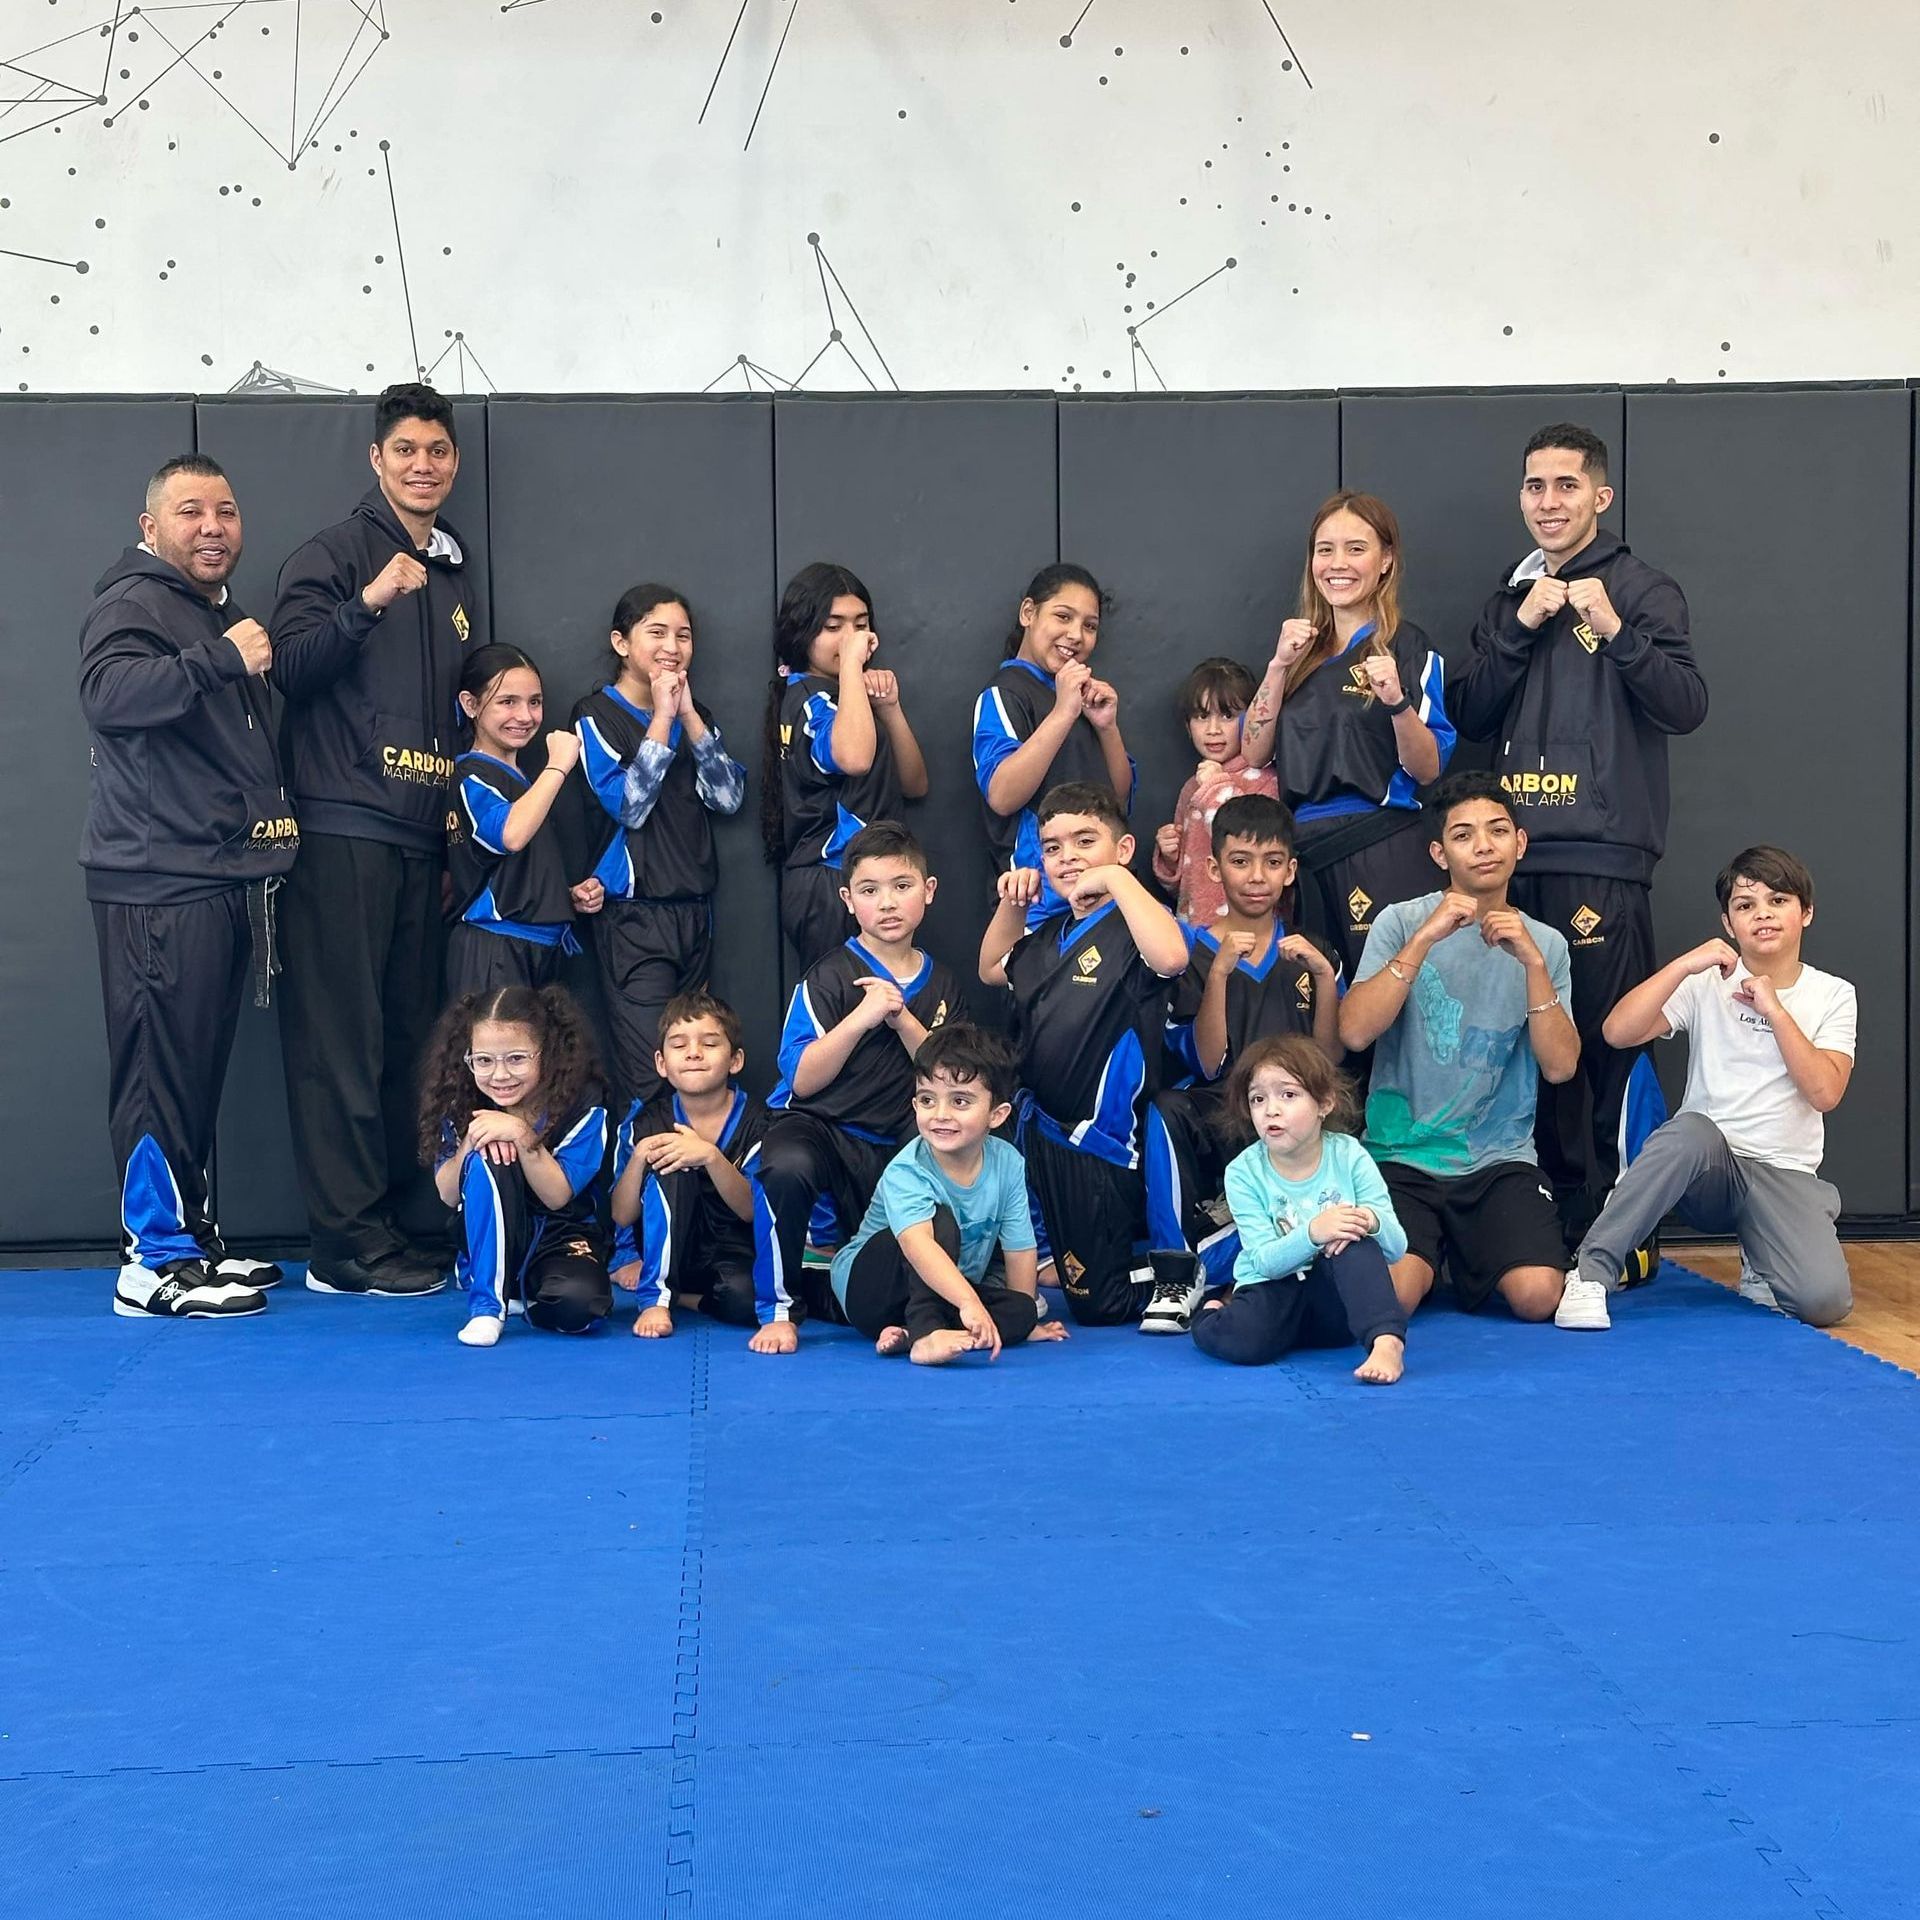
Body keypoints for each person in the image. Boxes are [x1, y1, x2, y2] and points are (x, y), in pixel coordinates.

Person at [1453, 424, 1706, 1259]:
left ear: (1599, 495)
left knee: (1607, 1049)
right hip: (1512, 862)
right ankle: (1549, 1226)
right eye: (1535, 486)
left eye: (1566, 486)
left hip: (1601, 859)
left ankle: (1622, 1232)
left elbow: (1685, 704)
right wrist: (1522, 625)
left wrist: (1618, 632)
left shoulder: (1641, 588)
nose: (1548, 502)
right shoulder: (1509, 596)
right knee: (1524, 1050)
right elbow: (1473, 717)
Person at [271, 382, 479, 1298]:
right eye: (406, 451)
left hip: (415, 835)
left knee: (406, 1041)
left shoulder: (451, 572)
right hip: (340, 826)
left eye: (437, 450)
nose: (423, 465)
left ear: (453, 462)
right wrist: (365, 602)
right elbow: (292, 668)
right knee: (339, 1043)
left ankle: (393, 1222)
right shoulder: (338, 553)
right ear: (376, 460)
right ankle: (344, 1245)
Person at [80, 453, 297, 1318]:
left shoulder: (212, 611)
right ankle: (153, 1263)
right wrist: (218, 659)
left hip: (211, 872)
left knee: (192, 1067)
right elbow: (109, 696)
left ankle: (194, 1244)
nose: (213, 526)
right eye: (191, 511)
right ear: (150, 527)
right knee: (154, 1065)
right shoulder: (134, 602)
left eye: (227, 511)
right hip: (153, 878)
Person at [1557, 847, 1855, 1331]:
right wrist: (1684, 966)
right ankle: (1590, 1273)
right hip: (1708, 1167)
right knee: (1689, 1130)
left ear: (1806, 913)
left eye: (1778, 900)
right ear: (1728, 922)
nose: (1762, 914)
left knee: (1824, 1303)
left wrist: (1774, 1009)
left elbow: (1824, 1093)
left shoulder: (1833, 993)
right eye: (1745, 905)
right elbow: (1617, 1032)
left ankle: (1763, 1262)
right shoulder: (1708, 983)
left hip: (1784, 1173)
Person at [1337, 772, 1579, 1323]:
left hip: (1498, 1160)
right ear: (1439, 853)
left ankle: (1463, 1250)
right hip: (1401, 1157)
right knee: (1391, 1299)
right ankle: (1433, 1256)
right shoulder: (1400, 921)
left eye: (1497, 831)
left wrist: (1533, 967)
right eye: (1463, 835)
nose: (1484, 846)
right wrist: (1424, 937)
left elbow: (1561, 1067)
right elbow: (1353, 1033)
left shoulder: (1547, 943)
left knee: (1539, 1297)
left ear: (1519, 842)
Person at [979, 782, 1188, 1328]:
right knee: (1070, 1281)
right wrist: (1012, 902)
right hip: (1038, 1133)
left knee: (1102, 1305)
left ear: (1123, 849)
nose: (1067, 857)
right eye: (1052, 847)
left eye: (1084, 841)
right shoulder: (1049, 934)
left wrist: (1119, 880)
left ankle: (1203, 1260)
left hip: (1098, 1140)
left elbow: (1171, 957)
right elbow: (993, 965)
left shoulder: (1140, 923)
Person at [754, 822, 966, 1353]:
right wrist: (862, 1017)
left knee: (944, 1192)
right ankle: (779, 1308)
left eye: (902, 885)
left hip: (898, 1142)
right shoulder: (827, 978)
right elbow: (801, 1080)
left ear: (929, 891)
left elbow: (953, 1077)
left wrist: (899, 1019)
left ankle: (926, 1313)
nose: (887, 903)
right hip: (821, 1130)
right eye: (870, 891)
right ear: (849, 900)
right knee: (785, 1164)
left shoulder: (943, 984)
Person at [1241, 491, 1455, 978]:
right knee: (1324, 1011)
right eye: (1325, 549)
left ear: (1385, 560)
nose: (1338, 563)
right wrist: (1277, 667)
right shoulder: (1298, 652)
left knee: (1392, 1001)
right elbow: (1253, 751)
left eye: (1356, 548)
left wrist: (1397, 701)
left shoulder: (1406, 644)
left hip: (1380, 848)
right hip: (1304, 856)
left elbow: (1427, 768)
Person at [1143, 795, 1342, 1316]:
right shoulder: (1190, 950)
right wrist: (1218, 976)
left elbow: (1327, 1063)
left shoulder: (1311, 950)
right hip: (1223, 1107)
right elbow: (1207, 1064)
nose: (1257, 877)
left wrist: (1324, 978)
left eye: (1273, 862)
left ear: (1290, 870)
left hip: (1296, 1117)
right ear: (1213, 868)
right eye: (1240, 861)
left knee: (1330, 1117)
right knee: (1165, 1109)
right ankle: (1176, 1271)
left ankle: (1232, 1266)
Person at [574, 585, 747, 1107]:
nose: (672, 645)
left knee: (697, 1077)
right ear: (621, 642)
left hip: (694, 911)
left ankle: (693, 1182)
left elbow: (729, 798)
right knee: (649, 1074)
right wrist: (664, 718)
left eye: (683, 635)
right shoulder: (595, 715)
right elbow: (630, 806)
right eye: (657, 632)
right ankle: (642, 1185)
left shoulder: (697, 715)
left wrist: (690, 716)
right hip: (634, 920)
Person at [830, 1024, 1070, 1366]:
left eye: (960, 1101)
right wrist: (969, 1303)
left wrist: (1024, 1321)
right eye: (928, 1100)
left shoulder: (1008, 1163)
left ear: (997, 1115)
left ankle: (907, 1331)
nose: (940, 1115)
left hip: (944, 1288)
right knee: (940, 1222)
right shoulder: (908, 1169)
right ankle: (925, 1337)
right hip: (870, 1290)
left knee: (1021, 1309)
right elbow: (918, 1247)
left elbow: (1020, 1247)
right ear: (915, 1104)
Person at [1198, 1035, 1408, 1380]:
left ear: (1324, 1103)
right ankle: (1211, 1312)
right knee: (1243, 1343)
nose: (1271, 1110)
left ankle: (1387, 1343)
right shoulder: (1242, 1172)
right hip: (1274, 1289)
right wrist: (1313, 1233)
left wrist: (1369, 1220)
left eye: (1289, 1095)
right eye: (1257, 1099)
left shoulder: (1349, 1154)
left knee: (1355, 1245)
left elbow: (1396, 1247)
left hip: (1334, 1300)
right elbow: (1264, 1260)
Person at [420, 983, 613, 1348]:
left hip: (560, 1235)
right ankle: (486, 1306)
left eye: (517, 1058)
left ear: (547, 1053)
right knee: (488, 1154)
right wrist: (474, 1141)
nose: (500, 1075)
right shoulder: (460, 1097)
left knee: (582, 1308)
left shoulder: (582, 1101)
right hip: (490, 1230)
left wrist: (522, 1136)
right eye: (484, 1060)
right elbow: (447, 1194)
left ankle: (525, 1298)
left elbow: (558, 1196)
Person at [760, 563, 928, 974]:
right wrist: (853, 666)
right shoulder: (810, 698)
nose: (851, 638)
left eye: (861, 624)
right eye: (833, 626)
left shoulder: (849, 699)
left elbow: (915, 785)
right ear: (803, 632)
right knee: (840, 1017)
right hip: (831, 882)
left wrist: (889, 710)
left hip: (874, 878)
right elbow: (853, 758)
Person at [973, 563, 1136, 925]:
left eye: (1089, 626)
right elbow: (1002, 794)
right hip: (1039, 904)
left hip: (1102, 899)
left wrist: (1107, 728)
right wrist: (1063, 712)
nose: (1075, 635)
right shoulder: (1006, 692)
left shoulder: (1081, 695)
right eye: (1063, 616)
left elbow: (1118, 800)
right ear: (1028, 613)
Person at [611, 991, 779, 1339]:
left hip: (729, 1252)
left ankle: (685, 1299)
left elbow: (751, 1211)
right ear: (661, 1062)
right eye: (679, 1044)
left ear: (735, 1060)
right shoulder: (645, 1121)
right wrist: (641, 1157)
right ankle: (656, 1298)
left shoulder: (759, 1121)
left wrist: (710, 1156)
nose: (693, 1053)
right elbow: (621, 1215)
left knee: (746, 1304)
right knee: (671, 1165)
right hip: (666, 1251)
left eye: (710, 1043)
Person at [447, 644, 601, 996]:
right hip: (496, 951)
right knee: (494, 1050)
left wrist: (561, 898)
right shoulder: (472, 774)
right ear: (471, 704)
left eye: (534, 702)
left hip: (540, 950)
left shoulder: (525, 782)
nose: (525, 715)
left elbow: (512, 872)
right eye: (507, 702)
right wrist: (558, 764)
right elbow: (510, 835)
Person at [1150, 657, 1278, 925]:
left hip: (1250, 932)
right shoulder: (1191, 788)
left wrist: (1216, 788)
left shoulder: (1266, 780)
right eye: (1202, 716)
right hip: (1197, 932)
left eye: (1228, 716)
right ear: (1188, 725)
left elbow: (1254, 844)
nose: (1213, 730)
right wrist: (1171, 858)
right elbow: (1186, 882)